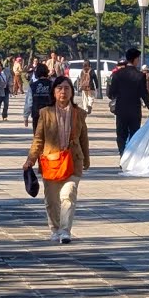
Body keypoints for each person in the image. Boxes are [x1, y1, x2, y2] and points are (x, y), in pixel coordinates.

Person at [23, 76, 90, 244]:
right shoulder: (45, 113)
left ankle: (65, 231)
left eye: (67, 88)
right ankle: (55, 229)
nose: (63, 92)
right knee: (52, 200)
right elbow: (38, 139)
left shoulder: (79, 113)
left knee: (68, 195)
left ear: (72, 92)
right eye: (59, 88)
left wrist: (86, 159)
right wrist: (31, 159)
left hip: (73, 161)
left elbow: (84, 139)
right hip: (51, 161)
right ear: (53, 92)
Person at [106, 49, 149, 155]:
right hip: (135, 109)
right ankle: (131, 156)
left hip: (121, 108)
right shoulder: (140, 76)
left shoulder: (117, 74)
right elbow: (144, 94)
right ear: (135, 59)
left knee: (121, 134)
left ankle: (122, 154)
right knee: (134, 134)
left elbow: (111, 93)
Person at [28, 62, 56, 130]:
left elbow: (29, 102)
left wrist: (26, 116)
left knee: (37, 136)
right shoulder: (52, 84)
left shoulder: (32, 85)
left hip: (36, 113)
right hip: (50, 114)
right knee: (49, 137)